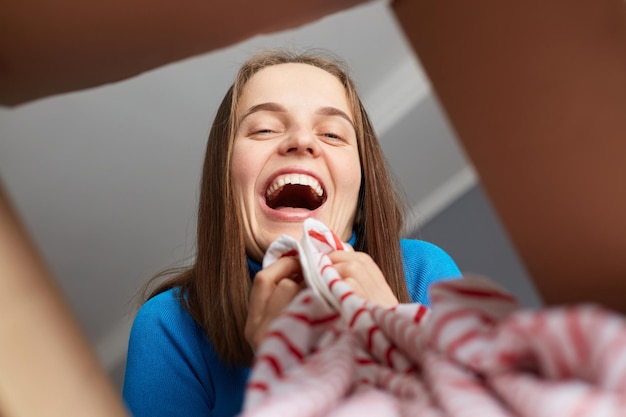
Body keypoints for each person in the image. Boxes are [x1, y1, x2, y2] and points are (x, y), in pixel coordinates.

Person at [122, 49, 461, 417]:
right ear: (225, 187)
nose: (301, 141)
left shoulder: (422, 272)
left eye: (332, 134)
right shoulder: (170, 326)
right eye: (264, 128)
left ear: (362, 197)